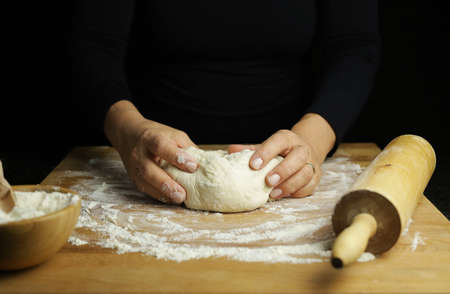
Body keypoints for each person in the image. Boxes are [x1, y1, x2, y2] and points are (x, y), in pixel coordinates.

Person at [69, 1, 380, 205]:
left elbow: (353, 47)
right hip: (155, 155)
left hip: (284, 152)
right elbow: (93, 45)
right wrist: (129, 131)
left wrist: (312, 141)